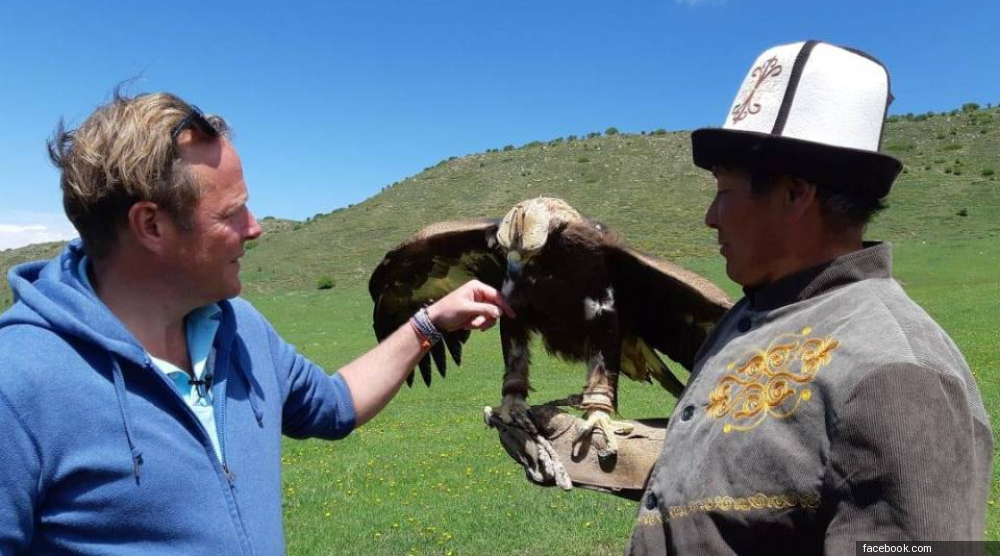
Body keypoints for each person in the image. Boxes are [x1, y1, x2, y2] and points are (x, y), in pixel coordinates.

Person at [490, 41, 994, 554]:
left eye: (723, 191)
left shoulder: (899, 375)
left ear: (795, 194)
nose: (710, 216)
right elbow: (763, 483)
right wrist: (609, 456)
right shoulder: (751, 320)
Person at [0, 91, 513, 555]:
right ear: (150, 225)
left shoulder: (238, 327)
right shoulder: (19, 384)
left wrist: (428, 323)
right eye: (232, 214)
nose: (256, 228)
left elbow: (333, 405)